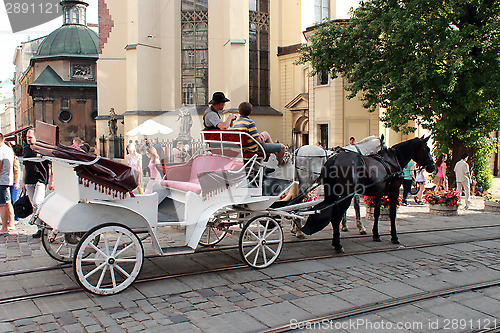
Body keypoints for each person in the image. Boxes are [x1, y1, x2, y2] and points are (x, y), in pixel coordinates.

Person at [22, 129, 53, 238]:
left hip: (40, 179)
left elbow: (51, 164)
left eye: (30, 137)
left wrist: (51, 180)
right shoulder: (26, 149)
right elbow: (24, 166)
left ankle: (47, 221)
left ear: (36, 137)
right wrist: (23, 181)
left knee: (37, 202)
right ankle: (40, 228)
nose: (28, 139)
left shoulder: (42, 150)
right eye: (27, 137)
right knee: (34, 206)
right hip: (29, 180)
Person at [0, 134, 15, 235]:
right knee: (7, 202)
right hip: (8, 179)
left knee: (2, 204)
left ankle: (4, 227)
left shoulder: (1, 150)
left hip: (2, 180)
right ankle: (11, 224)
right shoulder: (8, 149)